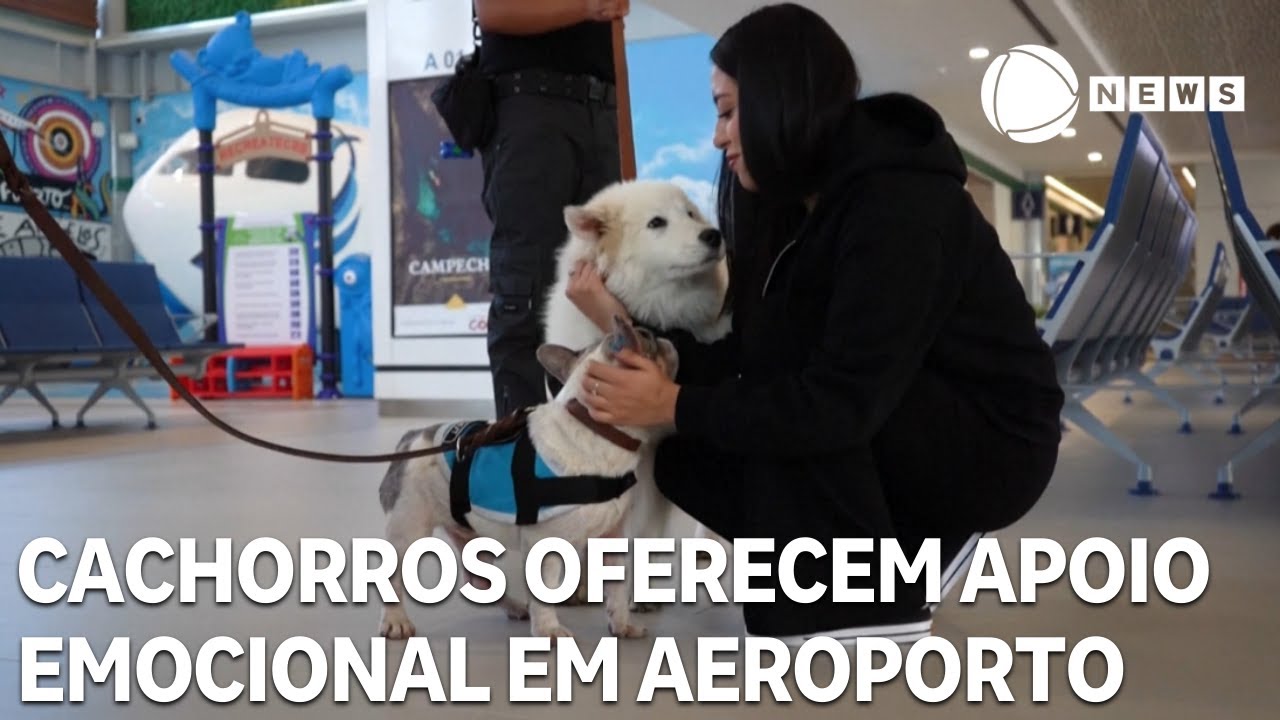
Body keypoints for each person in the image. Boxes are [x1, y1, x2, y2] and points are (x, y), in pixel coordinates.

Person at [564, 3, 1065, 644]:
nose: (717, 137)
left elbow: (841, 398)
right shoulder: (791, 209)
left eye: (727, 112)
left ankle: (884, 587)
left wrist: (674, 402)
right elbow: (755, 354)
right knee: (686, 460)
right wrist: (650, 356)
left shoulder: (899, 209)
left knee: (778, 406)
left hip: (986, 446)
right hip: (882, 409)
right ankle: (881, 558)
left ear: (780, 101)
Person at [475, 0, 629, 418]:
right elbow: (493, 11)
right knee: (526, 286)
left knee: (604, 280)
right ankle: (519, 443)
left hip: (604, 106)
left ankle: (589, 434)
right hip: (531, 107)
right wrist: (589, 6)